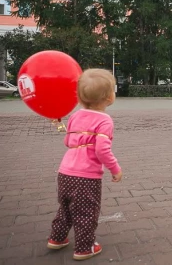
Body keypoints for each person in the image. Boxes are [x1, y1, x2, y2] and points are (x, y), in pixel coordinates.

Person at [47, 69, 122, 261]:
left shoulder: (75, 116)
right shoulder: (104, 120)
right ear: (108, 97)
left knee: (65, 208)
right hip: (86, 177)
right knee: (86, 212)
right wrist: (115, 169)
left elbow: (67, 142)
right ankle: (84, 247)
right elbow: (102, 150)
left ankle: (57, 238)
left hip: (65, 172)